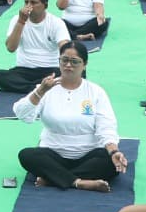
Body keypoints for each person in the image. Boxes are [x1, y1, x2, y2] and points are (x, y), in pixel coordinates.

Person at [12, 42, 128, 191]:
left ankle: (54, 179)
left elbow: (106, 127)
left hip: (88, 155)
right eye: (64, 60)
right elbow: (22, 115)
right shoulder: (47, 88)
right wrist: (40, 91)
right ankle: (80, 182)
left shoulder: (96, 92)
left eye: (75, 61)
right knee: (27, 155)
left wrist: (114, 151)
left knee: (111, 163)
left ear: (84, 64)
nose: (68, 65)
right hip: (53, 154)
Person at [0, 0, 69, 92]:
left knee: (71, 74)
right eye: (26, 2)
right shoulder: (17, 20)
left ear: (45, 5)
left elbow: (65, 48)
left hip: (50, 69)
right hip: (24, 70)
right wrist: (21, 22)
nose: (29, 6)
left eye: (33, 2)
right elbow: (10, 48)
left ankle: (38, 86)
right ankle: (39, 87)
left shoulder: (56, 23)